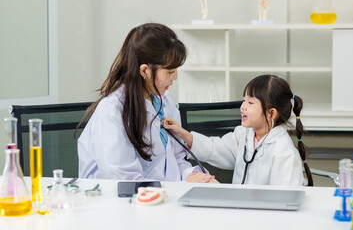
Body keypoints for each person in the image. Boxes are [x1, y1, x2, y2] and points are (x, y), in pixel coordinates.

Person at [77, 23, 216, 183]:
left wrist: (194, 177)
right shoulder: (113, 111)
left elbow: (177, 159)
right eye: (170, 71)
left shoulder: (165, 103)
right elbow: (125, 181)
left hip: (164, 198)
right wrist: (180, 187)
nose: (175, 77)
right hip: (122, 203)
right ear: (144, 71)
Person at [164, 74, 313, 186]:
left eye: (250, 102)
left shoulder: (283, 152)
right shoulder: (245, 134)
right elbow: (217, 148)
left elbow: (281, 202)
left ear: (271, 113)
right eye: (243, 100)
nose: (243, 107)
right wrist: (184, 134)